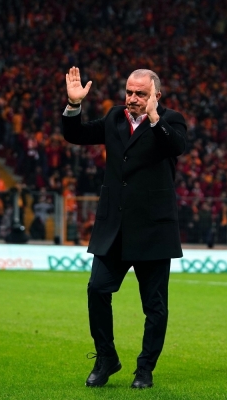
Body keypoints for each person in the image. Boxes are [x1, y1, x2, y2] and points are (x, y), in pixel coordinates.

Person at [62, 67, 186, 389]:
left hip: (153, 230)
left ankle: (145, 369)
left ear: (156, 95)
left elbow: (176, 147)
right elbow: (75, 135)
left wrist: (154, 117)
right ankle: (106, 358)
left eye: (140, 94)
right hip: (114, 228)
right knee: (97, 289)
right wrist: (74, 105)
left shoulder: (171, 120)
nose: (132, 98)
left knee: (154, 307)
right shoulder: (114, 118)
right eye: (129, 92)